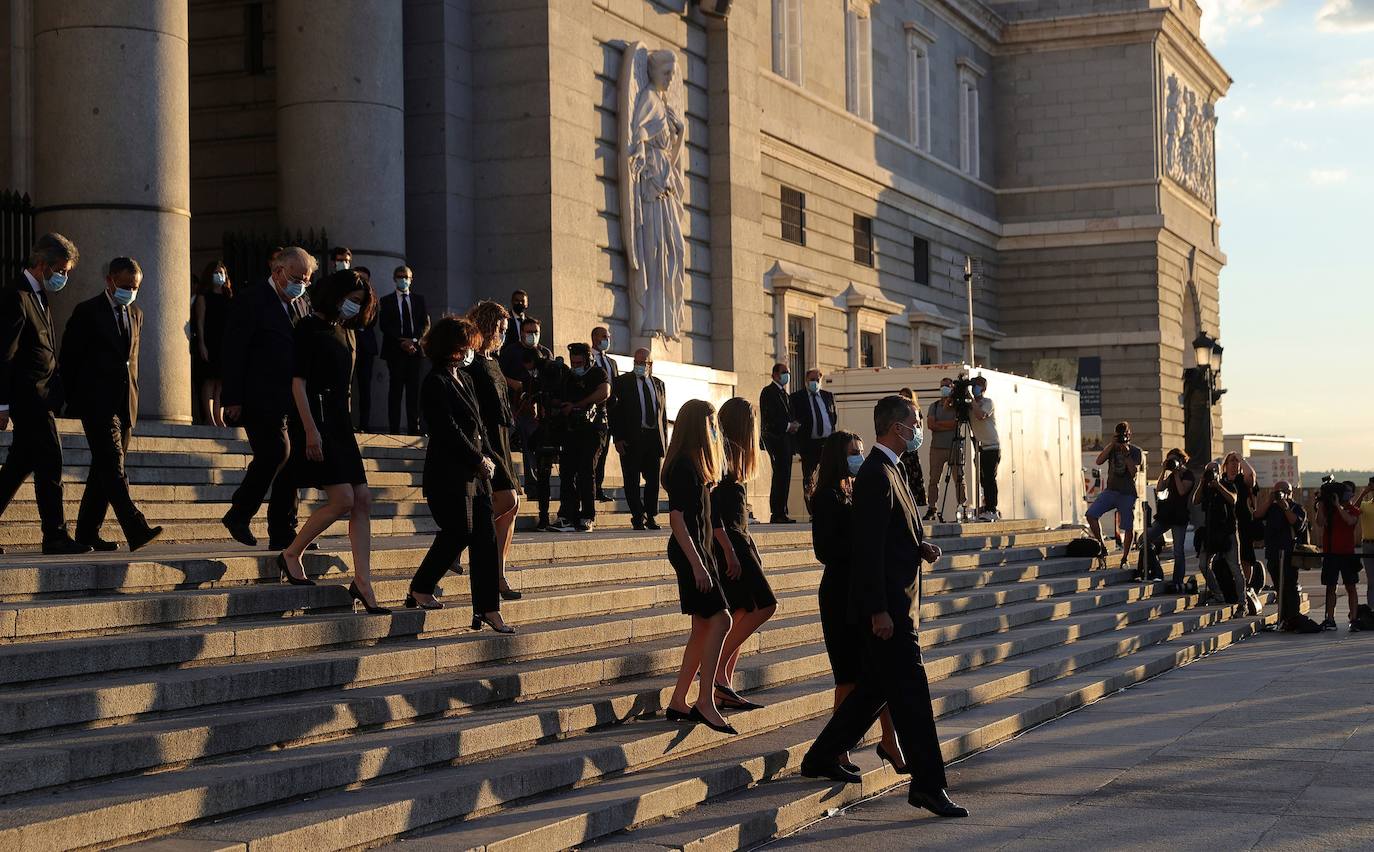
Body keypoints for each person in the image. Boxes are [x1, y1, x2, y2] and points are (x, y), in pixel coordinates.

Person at [800, 394, 966, 818]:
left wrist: (917, 545)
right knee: (912, 695)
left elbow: (889, 534)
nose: (918, 428)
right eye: (914, 421)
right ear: (897, 427)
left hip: (897, 604)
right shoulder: (876, 473)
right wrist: (878, 610)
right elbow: (868, 549)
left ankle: (822, 755)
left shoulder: (890, 470)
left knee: (871, 691)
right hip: (888, 609)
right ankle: (928, 785)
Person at [275, 270, 388, 612]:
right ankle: (292, 552)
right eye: (353, 300)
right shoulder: (308, 328)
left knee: (363, 499)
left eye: (361, 303)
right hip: (317, 420)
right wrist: (310, 430)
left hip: (340, 421)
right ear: (336, 295)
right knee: (343, 499)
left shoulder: (345, 331)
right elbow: (298, 384)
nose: (356, 308)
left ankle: (363, 583)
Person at [406, 316, 514, 631]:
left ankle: (487, 609)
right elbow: (446, 430)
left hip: (476, 476)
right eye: (467, 345)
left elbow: (477, 427)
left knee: (484, 538)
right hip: (448, 474)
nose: (471, 351)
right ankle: (421, 586)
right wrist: (476, 458)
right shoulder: (435, 381)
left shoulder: (463, 379)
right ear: (452, 347)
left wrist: (492, 462)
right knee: (458, 532)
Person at [810, 429, 906, 773]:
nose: (859, 456)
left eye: (861, 450)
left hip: (859, 591)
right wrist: (863, 547)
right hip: (839, 594)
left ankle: (889, 741)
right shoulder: (827, 497)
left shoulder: (854, 493)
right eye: (853, 451)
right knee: (849, 677)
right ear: (839, 456)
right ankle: (838, 750)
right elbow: (825, 551)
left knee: (877, 673)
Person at [57, 256, 165, 553]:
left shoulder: (136, 313)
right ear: (110, 281)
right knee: (113, 467)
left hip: (125, 402)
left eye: (135, 286)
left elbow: (132, 361)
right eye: (125, 285)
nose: (130, 291)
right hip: (96, 403)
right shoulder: (87, 312)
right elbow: (70, 359)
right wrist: (71, 398)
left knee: (103, 470)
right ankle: (135, 526)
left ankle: (87, 532)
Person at [0, 232, 90, 555]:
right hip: (28, 398)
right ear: (42, 265)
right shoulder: (17, 295)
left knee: (17, 468)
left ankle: (55, 534)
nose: (64, 277)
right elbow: (4, 355)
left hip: (42, 396)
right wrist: (2, 404)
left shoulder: (38, 295)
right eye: (61, 270)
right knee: (51, 460)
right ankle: (54, 535)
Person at [221, 245, 315, 550]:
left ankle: (284, 530)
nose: (302, 284)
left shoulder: (301, 304)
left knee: (292, 462)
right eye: (298, 277)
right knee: (276, 451)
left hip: (292, 397)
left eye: (307, 279)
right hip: (257, 395)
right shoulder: (251, 301)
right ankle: (240, 512)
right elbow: (234, 352)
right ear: (278, 272)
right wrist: (231, 398)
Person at [662, 399, 735, 735]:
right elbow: (677, 520)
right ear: (698, 427)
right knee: (721, 619)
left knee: (702, 629)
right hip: (691, 554)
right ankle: (704, 700)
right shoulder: (681, 467)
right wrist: (698, 566)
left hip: (700, 553)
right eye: (711, 423)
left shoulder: (695, 466)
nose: (715, 429)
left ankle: (679, 700)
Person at [710, 398, 776, 710]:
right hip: (730, 542)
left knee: (742, 609)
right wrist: (730, 550)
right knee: (765, 605)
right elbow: (714, 511)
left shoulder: (731, 455)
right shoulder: (723, 454)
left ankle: (724, 682)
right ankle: (713, 670)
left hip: (740, 538)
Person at [465, 300, 522, 599]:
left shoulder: (492, 360)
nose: (503, 333)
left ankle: (499, 574)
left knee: (513, 507)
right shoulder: (471, 361)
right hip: (485, 437)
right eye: (500, 327)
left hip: (502, 436)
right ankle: (460, 540)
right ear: (487, 326)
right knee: (506, 499)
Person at [552, 342, 610, 532]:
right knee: (567, 472)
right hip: (572, 430)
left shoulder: (598, 373)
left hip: (594, 429)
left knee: (586, 470)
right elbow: (558, 395)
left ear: (588, 360)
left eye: (579, 363)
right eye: (573, 362)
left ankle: (587, 515)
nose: (576, 366)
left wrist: (579, 405)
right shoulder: (567, 376)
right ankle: (567, 514)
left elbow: (604, 392)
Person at [509, 318, 559, 529]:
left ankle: (545, 509)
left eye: (536, 332)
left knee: (543, 464)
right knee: (527, 452)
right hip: (519, 412)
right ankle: (530, 489)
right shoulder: (510, 352)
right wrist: (522, 390)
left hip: (545, 421)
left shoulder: (547, 356)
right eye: (528, 332)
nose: (532, 335)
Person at [610, 347, 667, 530]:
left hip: (652, 437)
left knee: (652, 480)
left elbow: (662, 415)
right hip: (631, 437)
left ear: (650, 364)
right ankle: (637, 515)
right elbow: (614, 412)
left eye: (643, 363)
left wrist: (664, 441)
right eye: (636, 362)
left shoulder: (659, 384)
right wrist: (617, 438)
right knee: (631, 479)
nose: (639, 366)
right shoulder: (622, 382)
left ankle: (651, 515)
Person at [1085, 421, 1144, 568]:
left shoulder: (1136, 451)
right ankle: (1102, 546)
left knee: (1128, 527)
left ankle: (1125, 557)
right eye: (1119, 435)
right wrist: (1112, 444)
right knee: (1091, 515)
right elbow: (1098, 461)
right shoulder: (1111, 448)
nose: (1122, 438)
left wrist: (1126, 454)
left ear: (1129, 435)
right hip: (1111, 490)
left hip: (1127, 493)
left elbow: (1133, 472)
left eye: (1124, 435)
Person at [379, 266, 430, 435]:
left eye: (406, 277)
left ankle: (413, 429)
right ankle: (394, 429)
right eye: (400, 277)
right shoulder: (386, 301)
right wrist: (401, 342)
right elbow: (384, 325)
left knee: (413, 393)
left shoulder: (419, 300)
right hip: (395, 351)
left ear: (411, 279)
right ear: (394, 278)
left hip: (415, 351)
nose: (403, 280)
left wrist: (413, 341)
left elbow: (425, 324)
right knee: (395, 391)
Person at [1192, 461, 1247, 611]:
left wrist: (1218, 486)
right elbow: (1195, 501)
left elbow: (1233, 499)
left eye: (1214, 470)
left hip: (1227, 531)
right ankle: (1218, 593)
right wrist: (1202, 482)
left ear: (1219, 471)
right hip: (1210, 532)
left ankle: (1243, 602)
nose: (1212, 473)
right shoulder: (1205, 487)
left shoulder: (1227, 484)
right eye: (1209, 471)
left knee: (1235, 567)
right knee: (1203, 564)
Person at [1258, 480, 1305, 629]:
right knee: (1279, 586)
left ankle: (1293, 617)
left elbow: (1298, 525)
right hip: (1273, 552)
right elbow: (1257, 515)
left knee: (1290, 586)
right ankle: (1283, 618)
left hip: (1290, 553)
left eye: (1283, 491)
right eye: (1277, 491)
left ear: (1290, 492)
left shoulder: (1296, 508)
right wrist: (1270, 500)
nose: (1280, 494)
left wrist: (1285, 508)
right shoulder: (1271, 508)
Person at [1146, 448, 1195, 592]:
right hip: (1166, 514)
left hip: (1180, 516)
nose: (1172, 463)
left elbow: (1181, 491)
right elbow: (1159, 488)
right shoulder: (1171, 475)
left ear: (1182, 460)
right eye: (1170, 460)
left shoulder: (1188, 475)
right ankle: (1157, 571)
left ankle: (1177, 581)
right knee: (1144, 539)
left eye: (1173, 460)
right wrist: (1164, 471)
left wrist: (1176, 473)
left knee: (1178, 551)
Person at [1315, 481, 1361, 631]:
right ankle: (1330, 619)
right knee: (1330, 587)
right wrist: (1321, 505)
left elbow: (1350, 521)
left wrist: (1338, 507)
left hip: (1347, 553)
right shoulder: (1329, 510)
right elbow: (1320, 523)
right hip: (1331, 553)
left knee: (1351, 587)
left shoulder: (1353, 510)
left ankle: (1354, 619)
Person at [790, 368, 836, 515]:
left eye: (817, 380)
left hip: (827, 443)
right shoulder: (797, 397)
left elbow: (833, 417)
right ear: (806, 381)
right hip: (809, 444)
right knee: (809, 478)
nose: (815, 382)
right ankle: (812, 510)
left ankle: (829, 507)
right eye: (812, 380)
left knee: (829, 475)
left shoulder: (828, 396)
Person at [193, 260, 233, 427]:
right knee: (209, 380)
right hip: (210, 341)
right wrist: (202, 344)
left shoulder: (228, 297)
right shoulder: (204, 297)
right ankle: (209, 417)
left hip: (224, 343)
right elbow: (200, 322)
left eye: (222, 272)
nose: (219, 275)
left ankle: (219, 416)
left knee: (220, 382)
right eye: (216, 272)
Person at [758, 363, 798, 524]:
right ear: (774, 374)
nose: (786, 375)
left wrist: (794, 425)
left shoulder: (785, 394)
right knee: (779, 475)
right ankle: (777, 512)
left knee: (785, 475)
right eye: (783, 372)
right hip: (775, 440)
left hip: (786, 441)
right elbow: (771, 417)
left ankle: (783, 510)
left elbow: (790, 414)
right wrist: (788, 426)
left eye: (788, 372)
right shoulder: (769, 392)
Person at [923, 377, 966, 521]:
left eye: (947, 386)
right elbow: (930, 425)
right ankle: (932, 508)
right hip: (937, 448)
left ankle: (962, 505)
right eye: (942, 386)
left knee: (959, 478)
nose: (944, 388)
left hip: (954, 447)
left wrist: (939, 424)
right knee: (933, 479)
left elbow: (956, 424)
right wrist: (947, 424)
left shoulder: (957, 406)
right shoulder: (934, 406)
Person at [1221, 452, 1260, 590]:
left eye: (1237, 461)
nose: (1235, 463)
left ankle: (1246, 586)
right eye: (1232, 460)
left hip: (1243, 523)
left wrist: (1241, 459)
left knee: (1245, 557)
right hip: (1224, 523)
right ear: (1225, 465)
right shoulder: (1221, 481)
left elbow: (1251, 476)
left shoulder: (1242, 480)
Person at [590, 325, 619, 502]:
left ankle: (598, 487)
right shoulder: (589, 358)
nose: (606, 340)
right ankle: (590, 488)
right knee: (592, 453)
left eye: (608, 337)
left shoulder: (611, 362)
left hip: (609, 415)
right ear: (594, 338)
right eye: (603, 337)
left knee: (603, 452)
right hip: (593, 414)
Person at [968, 376, 1001, 521]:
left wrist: (972, 400)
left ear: (983, 389)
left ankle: (992, 509)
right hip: (979, 448)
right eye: (973, 385)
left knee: (989, 479)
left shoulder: (988, 403)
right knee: (982, 479)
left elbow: (980, 415)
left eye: (977, 386)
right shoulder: (970, 404)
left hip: (991, 446)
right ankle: (986, 505)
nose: (974, 388)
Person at [352, 266, 379, 433]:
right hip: (348, 345)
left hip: (366, 348)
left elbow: (372, 321)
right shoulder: (347, 297)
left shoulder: (373, 300)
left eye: (365, 279)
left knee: (365, 388)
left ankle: (364, 424)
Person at [896, 388, 926, 507]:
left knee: (913, 479)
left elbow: (919, 429)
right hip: (901, 448)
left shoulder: (916, 411)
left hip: (911, 449)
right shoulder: (897, 412)